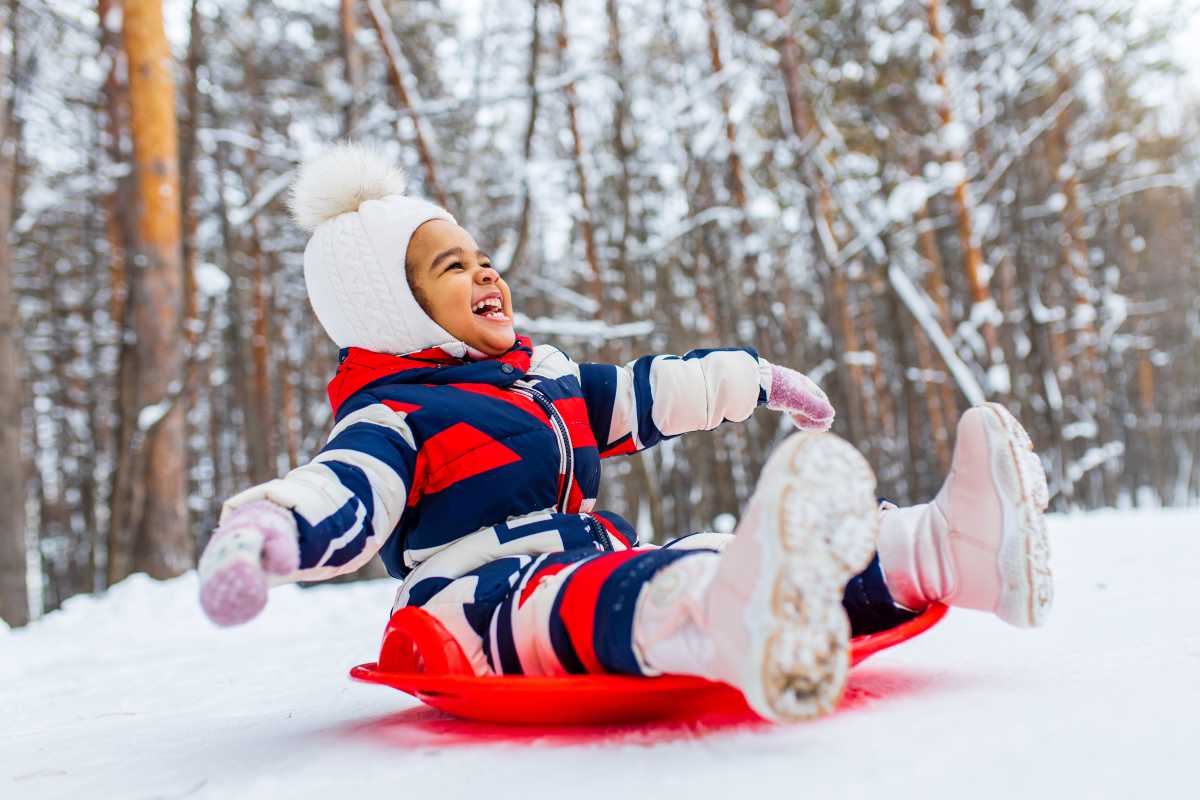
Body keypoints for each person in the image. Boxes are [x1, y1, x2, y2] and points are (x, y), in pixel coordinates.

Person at [198, 143, 1052, 722]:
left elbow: (646, 390)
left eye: (480, 253)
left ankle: (942, 549)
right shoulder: (394, 413)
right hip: (470, 607)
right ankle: (726, 620)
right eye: (449, 266)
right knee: (646, 587)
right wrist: (261, 530)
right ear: (391, 309)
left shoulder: (544, 380)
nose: (484, 269)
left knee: (714, 558)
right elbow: (338, 487)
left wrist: (749, 379)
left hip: (585, 563)